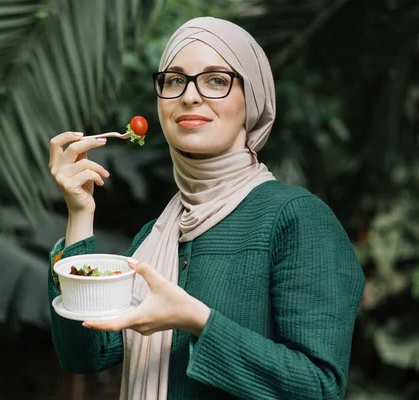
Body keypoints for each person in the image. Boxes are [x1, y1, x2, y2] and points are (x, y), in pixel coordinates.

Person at [47, 17, 365, 400]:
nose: (189, 96)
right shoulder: (157, 235)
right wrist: (80, 213)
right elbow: (84, 354)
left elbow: (320, 387)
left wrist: (198, 320)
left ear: (254, 100)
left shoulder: (296, 219)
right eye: (174, 80)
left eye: (216, 79)